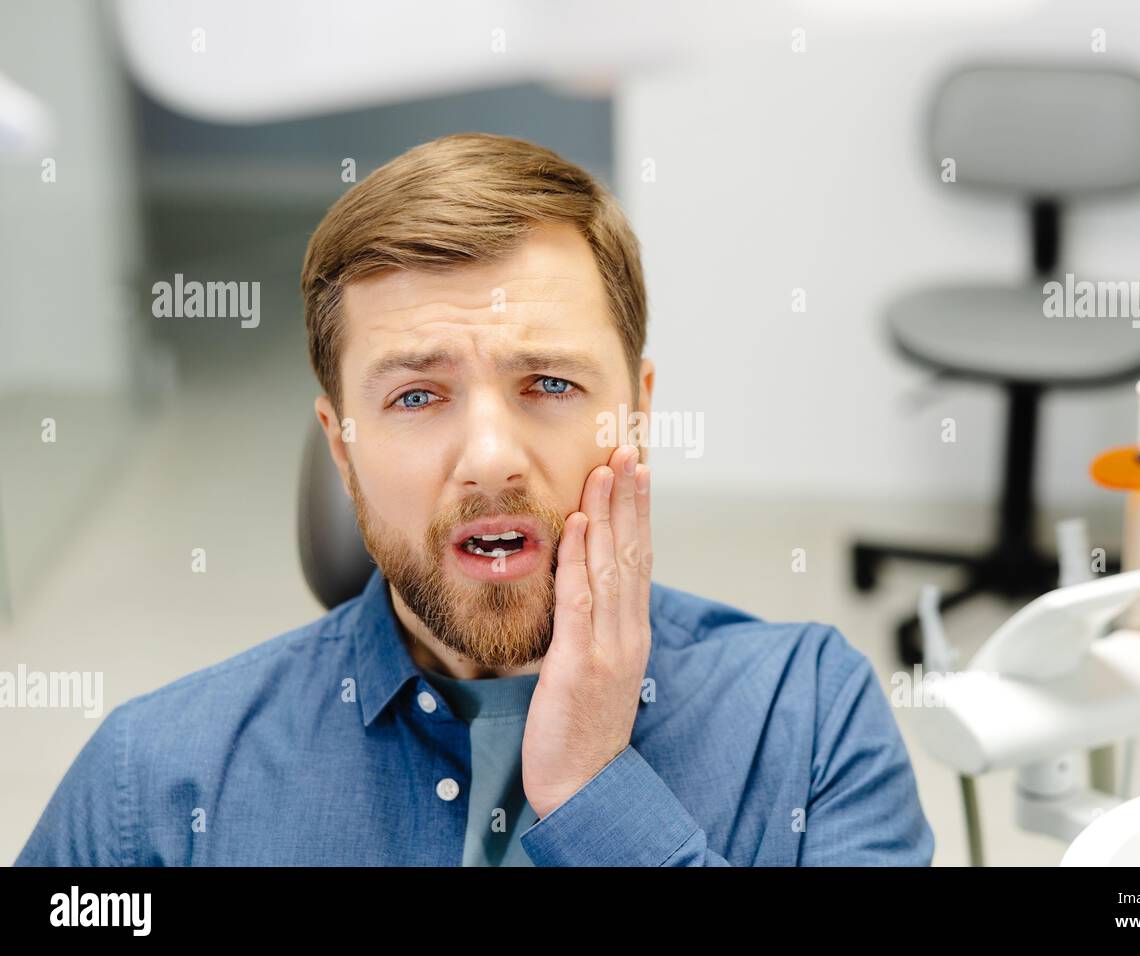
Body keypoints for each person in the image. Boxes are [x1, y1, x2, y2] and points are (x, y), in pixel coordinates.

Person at [16, 133, 934, 866]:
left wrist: (598, 797)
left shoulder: (810, 718)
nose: (491, 457)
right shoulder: (157, 786)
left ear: (638, 414)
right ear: (342, 450)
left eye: (548, 383)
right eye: (416, 396)